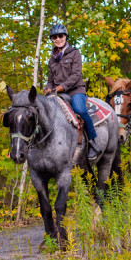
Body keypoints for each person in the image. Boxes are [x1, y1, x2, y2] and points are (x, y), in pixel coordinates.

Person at [43, 24, 101, 159]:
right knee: (45, 111)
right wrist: (48, 87)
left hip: (76, 90)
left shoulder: (75, 53)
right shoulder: (51, 60)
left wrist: (62, 86)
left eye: (60, 36)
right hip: (58, 92)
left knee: (80, 110)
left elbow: (76, 75)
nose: (58, 39)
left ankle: (93, 142)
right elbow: (50, 79)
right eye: (55, 37)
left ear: (65, 37)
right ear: (52, 39)